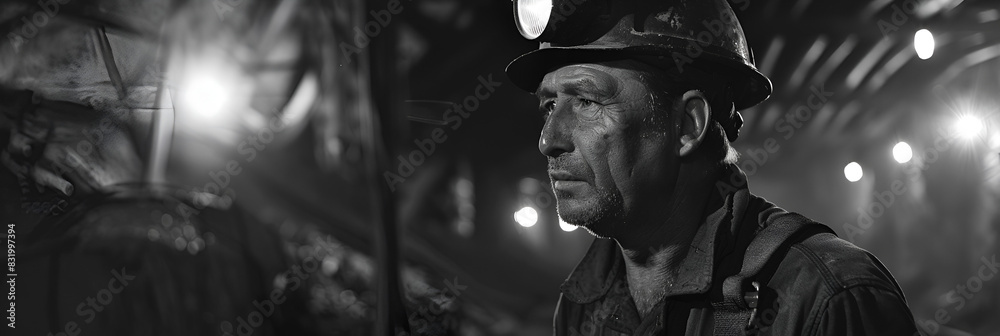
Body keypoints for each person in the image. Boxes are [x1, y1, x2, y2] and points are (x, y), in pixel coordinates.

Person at [505, 0, 919, 334]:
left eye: (586, 102)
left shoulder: (826, 299)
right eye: (548, 106)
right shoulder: (583, 304)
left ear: (687, 126)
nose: (548, 140)